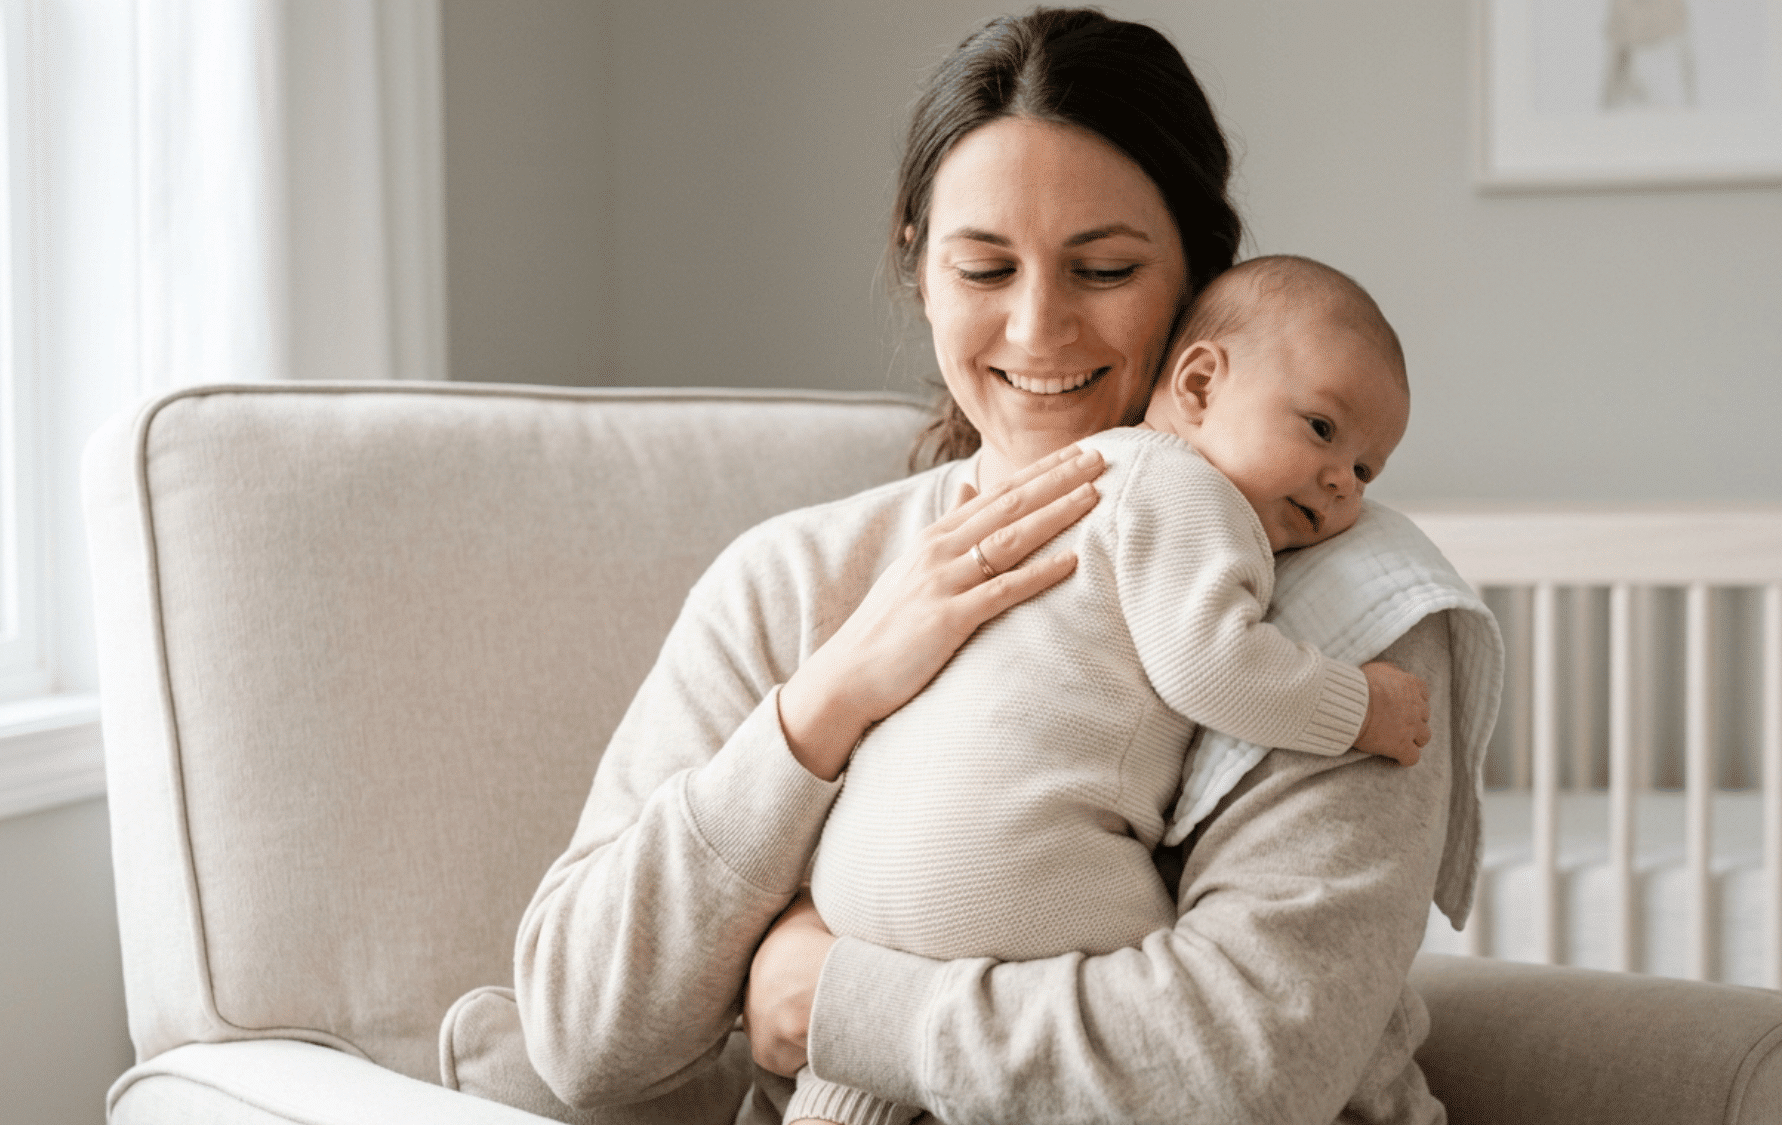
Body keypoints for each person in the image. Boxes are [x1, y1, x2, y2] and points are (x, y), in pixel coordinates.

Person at [501, 10, 1479, 1124]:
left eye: (1103, 268)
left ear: (1202, 282)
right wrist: (825, 705)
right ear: (919, 273)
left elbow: (1246, 1068)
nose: (1037, 326)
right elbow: (579, 1033)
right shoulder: (793, 581)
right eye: (982, 267)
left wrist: (838, 1000)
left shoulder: (1351, 609)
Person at [785, 253, 1424, 1125]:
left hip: (861, 885)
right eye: (1321, 429)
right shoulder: (1191, 493)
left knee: (856, 1081)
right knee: (1168, 1013)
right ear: (1199, 385)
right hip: (1006, 871)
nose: (1343, 481)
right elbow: (1214, 667)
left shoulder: (1083, 474)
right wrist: (1363, 706)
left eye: (1367, 469)